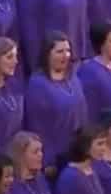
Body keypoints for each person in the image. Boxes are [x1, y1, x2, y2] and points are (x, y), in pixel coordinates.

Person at [23, 31, 88, 166]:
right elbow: (37, 126)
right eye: (60, 52)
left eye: (68, 51)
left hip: (78, 153)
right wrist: (47, 160)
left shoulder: (73, 78)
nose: (66, 56)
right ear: (47, 54)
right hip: (55, 158)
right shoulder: (38, 84)